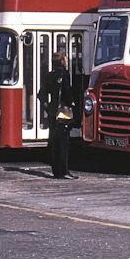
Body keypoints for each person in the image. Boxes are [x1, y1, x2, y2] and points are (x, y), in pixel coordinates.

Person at [38, 51, 79, 179]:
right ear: (62, 61)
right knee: (64, 143)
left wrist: (48, 108)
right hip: (63, 113)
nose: (66, 61)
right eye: (65, 59)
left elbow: (41, 94)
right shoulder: (64, 74)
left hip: (52, 112)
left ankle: (56, 171)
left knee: (54, 142)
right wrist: (72, 103)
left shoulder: (48, 75)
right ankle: (64, 171)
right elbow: (66, 92)